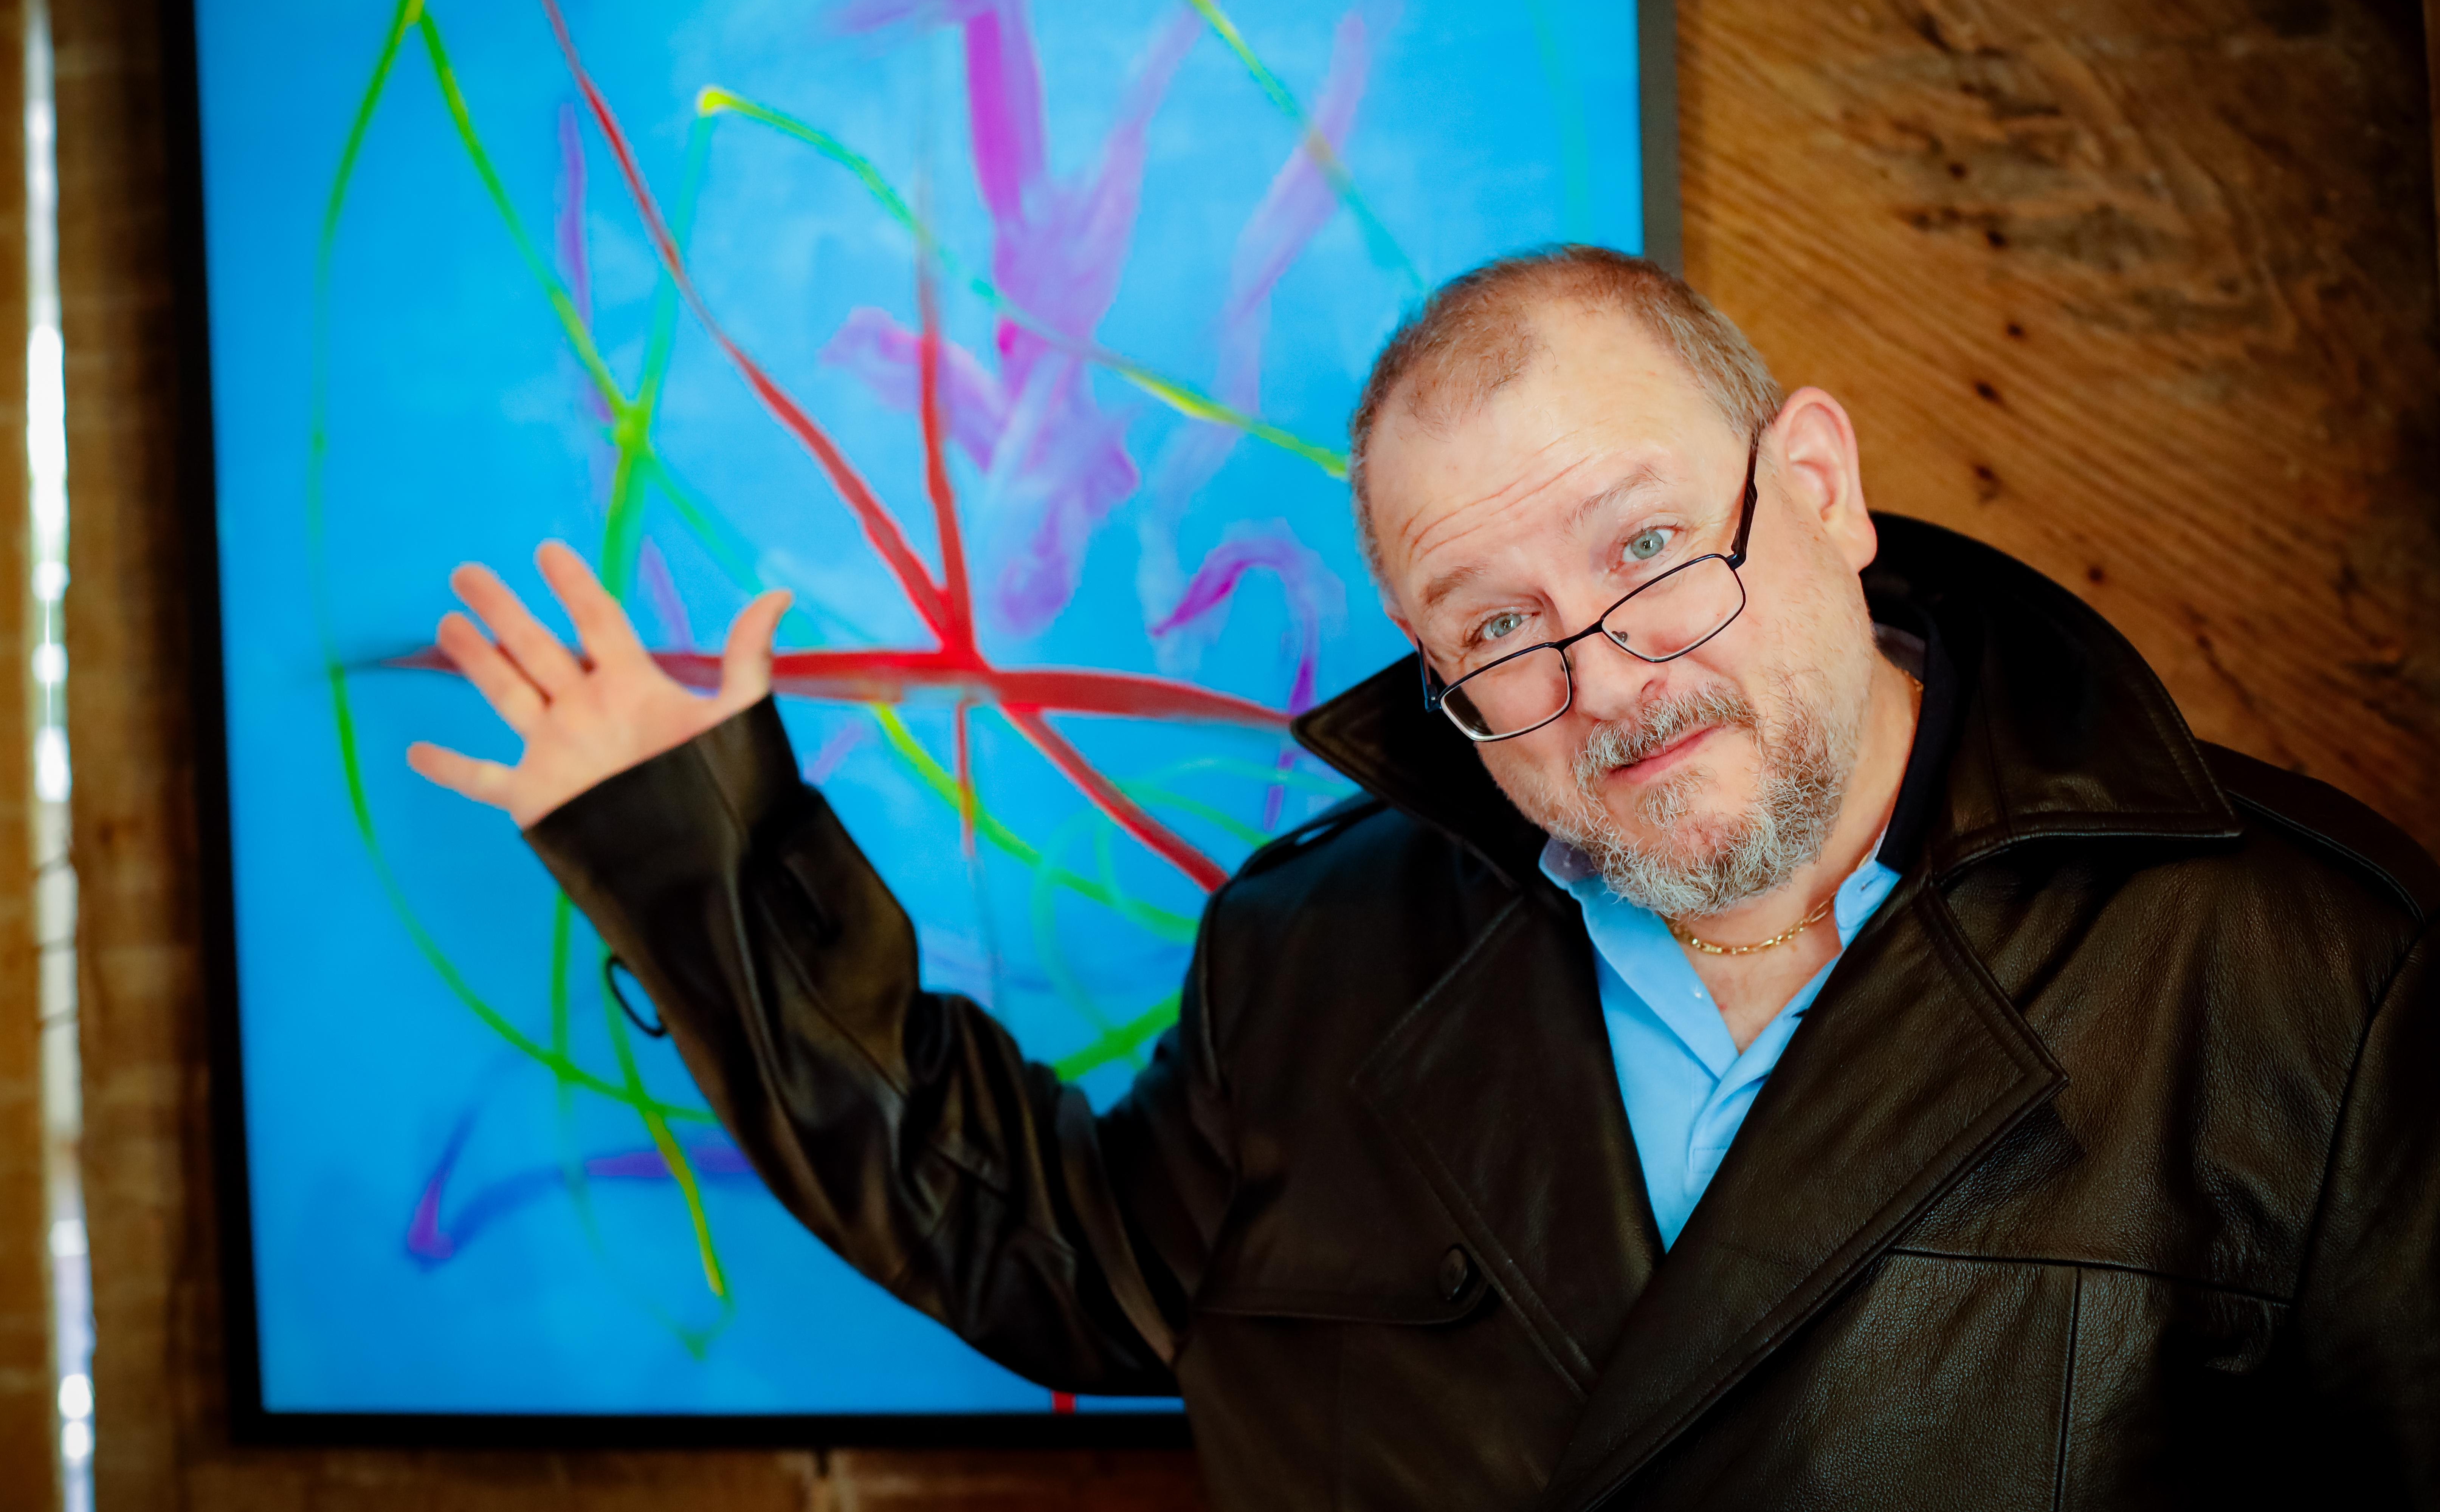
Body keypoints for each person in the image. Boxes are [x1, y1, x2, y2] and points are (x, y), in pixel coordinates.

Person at [409, 248, 2439, 1510]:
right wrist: (703, 850)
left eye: (1651, 550)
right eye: (1495, 626)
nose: (1604, 676)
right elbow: (1051, 1259)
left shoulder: (2298, 968)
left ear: (1814, 484)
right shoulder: (1322, 955)